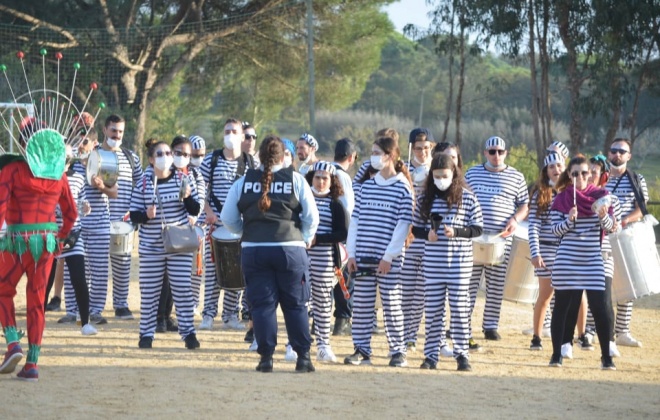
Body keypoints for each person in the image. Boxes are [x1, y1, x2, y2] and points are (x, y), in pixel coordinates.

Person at [221, 135, 319, 373]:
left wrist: (245, 232)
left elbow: (227, 219)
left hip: (254, 250)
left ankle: (266, 358)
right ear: (283, 155)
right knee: (295, 305)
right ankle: (303, 358)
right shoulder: (295, 179)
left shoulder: (243, 181)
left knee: (262, 306)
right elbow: (311, 217)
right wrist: (303, 237)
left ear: (260, 156)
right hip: (290, 249)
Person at [0, 119, 78, 381]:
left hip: (17, 241)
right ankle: (32, 363)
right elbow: (72, 213)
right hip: (46, 242)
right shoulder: (60, 175)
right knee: (37, 302)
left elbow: (0, 206)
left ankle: (13, 342)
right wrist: (62, 237)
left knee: (1, 290)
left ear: (25, 144)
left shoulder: (12, 170)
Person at [344, 136, 413, 368]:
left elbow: (403, 227)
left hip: (388, 261)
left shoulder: (403, 188)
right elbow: (355, 221)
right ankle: (361, 350)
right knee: (362, 306)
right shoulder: (365, 187)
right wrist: (351, 253)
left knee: (392, 305)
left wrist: (388, 257)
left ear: (390, 156)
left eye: (376, 152)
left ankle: (398, 352)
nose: (372, 156)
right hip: (363, 257)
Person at [412, 154, 483, 371]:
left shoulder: (468, 198)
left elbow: (478, 228)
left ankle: (462, 354)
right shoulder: (425, 200)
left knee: (460, 310)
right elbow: (415, 228)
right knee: (433, 310)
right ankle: (431, 355)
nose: (441, 179)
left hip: (459, 265)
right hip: (433, 265)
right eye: (436, 176)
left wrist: (458, 232)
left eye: (445, 175)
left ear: (454, 174)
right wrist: (427, 235)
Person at [130, 141, 200, 350]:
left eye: (168, 152)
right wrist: (145, 215)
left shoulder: (182, 179)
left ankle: (188, 333)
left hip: (178, 244)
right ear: (151, 159)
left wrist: (187, 197)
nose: (165, 156)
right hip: (151, 246)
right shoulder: (143, 183)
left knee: (182, 290)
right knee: (149, 291)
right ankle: (146, 334)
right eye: (160, 154)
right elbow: (134, 215)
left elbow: (195, 209)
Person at [548, 155, 616, 369]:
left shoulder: (602, 196)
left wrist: (603, 216)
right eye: (575, 173)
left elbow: (611, 227)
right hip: (566, 260)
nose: (580, 177)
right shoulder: (561, 198)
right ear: (569, 174)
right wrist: (568, 221)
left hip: (592, 259)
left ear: (590, 174)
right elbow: (554, 231)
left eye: (584, 173)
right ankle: (556, 354)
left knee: (600, 308)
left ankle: (606, 356)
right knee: (562, 307)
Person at [465, 136, 529, 346]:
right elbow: (462, 197)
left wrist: (515, 220)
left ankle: (490, 326)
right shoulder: (472, 173)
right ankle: (461, 324)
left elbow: (524, 205)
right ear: (485, 153)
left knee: (496, 284)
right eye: (492, 151)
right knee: (468, 283)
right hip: (474, 236)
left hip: (502, 238)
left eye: (500, 152)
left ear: (506, 153)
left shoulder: (516, 177)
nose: (496, 155)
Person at [199, 118, 251, 331]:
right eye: (227, 130)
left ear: (242, 136)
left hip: (240, 227)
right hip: (215, 225)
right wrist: (208, 212)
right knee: (213, 273)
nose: (230, 134)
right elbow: (199, 189)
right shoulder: (211, 159)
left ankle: (231, 315)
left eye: (234, 131)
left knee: (237, 273)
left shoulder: (251, 162)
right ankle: (208, 315)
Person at [44, 144, 96, 336]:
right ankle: (38, 320)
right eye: (61, 155)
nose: (65, 159)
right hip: (50, 235)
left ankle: (85, 322)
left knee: (79, 279)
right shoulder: (47, 177)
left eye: (68, 155)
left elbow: (82, 200)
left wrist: (85, 206)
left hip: (74, 234)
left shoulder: (78, 178)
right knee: (45, 280)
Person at [71, 122, 117, 326]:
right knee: (74, 271)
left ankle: (96, 310)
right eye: (77, 141)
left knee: (98, 271)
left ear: (95, 143)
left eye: (85, 141)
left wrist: (102, 187)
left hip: (99, 226)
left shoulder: (104, 162)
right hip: (76, 227)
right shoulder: (68, 164)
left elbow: (114, 192)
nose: (81, 145)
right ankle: (72, 311)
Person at [605, 138, 648, 348]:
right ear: (609, 153)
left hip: (625, 238)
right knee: (600, 285)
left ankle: (622, 331)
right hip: (601, 239)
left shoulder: (637, 179)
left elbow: (641, 209)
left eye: (622, 151)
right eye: (614, 151)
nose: (617, 155)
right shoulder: (601, 178)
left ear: (629, 156)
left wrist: (624, 220)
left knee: (627, 286)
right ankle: (593, 330)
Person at [304, 161, 349, 362]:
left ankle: (323, 344)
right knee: (299, 301)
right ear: (311, 178)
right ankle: (296, 344)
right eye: (317, 177)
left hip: (324, 258)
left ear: (332, 180)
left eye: (325, 178)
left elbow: (343, 232)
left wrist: (318, 239)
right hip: (302, 257)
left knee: (322, 303)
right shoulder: (302, 200)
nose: (321, 182)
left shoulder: (335, 204)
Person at [103, 115, 143, 320]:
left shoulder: (131, 157)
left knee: (123, 264)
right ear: (105, 130)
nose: (116, 135)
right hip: (99, 223)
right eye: (113, 130)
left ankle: (120, 305)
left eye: (120, 131)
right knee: (97, 268)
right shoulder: (95, 155)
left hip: (124, 223)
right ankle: (95, 307)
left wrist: (135, 215)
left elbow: (141, 186)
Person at [402, 128, 435, 353]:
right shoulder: (403, 170)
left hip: (429, 239)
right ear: (411, 148)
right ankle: (402, 334)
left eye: (426, 148)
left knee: (422, 292)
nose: (422, 152)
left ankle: (412, 335)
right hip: (407, 237)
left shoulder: (438, 170)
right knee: (405, 291)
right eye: (418, 148)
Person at [528, 152, 565, 350]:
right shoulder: (540, 193)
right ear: (546, 171)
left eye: (559, 166)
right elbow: (533, 226)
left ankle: (581, 335)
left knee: (574, 296)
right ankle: (537, 337)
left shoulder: (571, 192)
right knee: (545, 295)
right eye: (552, 167)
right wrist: (535, 252)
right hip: (547, 252)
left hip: (568, 251)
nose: (556, 170)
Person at [331, 138, 357, 335]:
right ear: (352, 157)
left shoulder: (321, 171)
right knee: (343, 277)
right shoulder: (343, 177)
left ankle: (320, 320)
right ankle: (343, 319)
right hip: (340, 234)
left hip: (322, 234)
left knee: (324, 278)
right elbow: (349, 208)